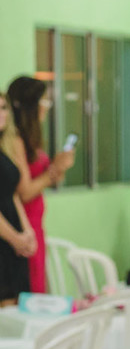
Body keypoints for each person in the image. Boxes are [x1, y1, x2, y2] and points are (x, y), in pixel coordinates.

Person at [5, 76, 75, 293]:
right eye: (44, 102)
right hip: (22, 223)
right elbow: (24, 192)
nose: (47, 107)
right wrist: (53, 172)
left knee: (38, 287)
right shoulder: (15, 140)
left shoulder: (30, 140)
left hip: (35, 223)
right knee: (29, 291)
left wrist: (56, 169)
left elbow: (40, 181)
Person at [0, 92, 35, 305]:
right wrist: (15, 239)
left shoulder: (5, 149)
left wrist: (27, 230)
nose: (1, 114)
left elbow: (12, 194)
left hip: (14, 239)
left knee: (19, 304)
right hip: (5, 239)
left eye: (3, 108)